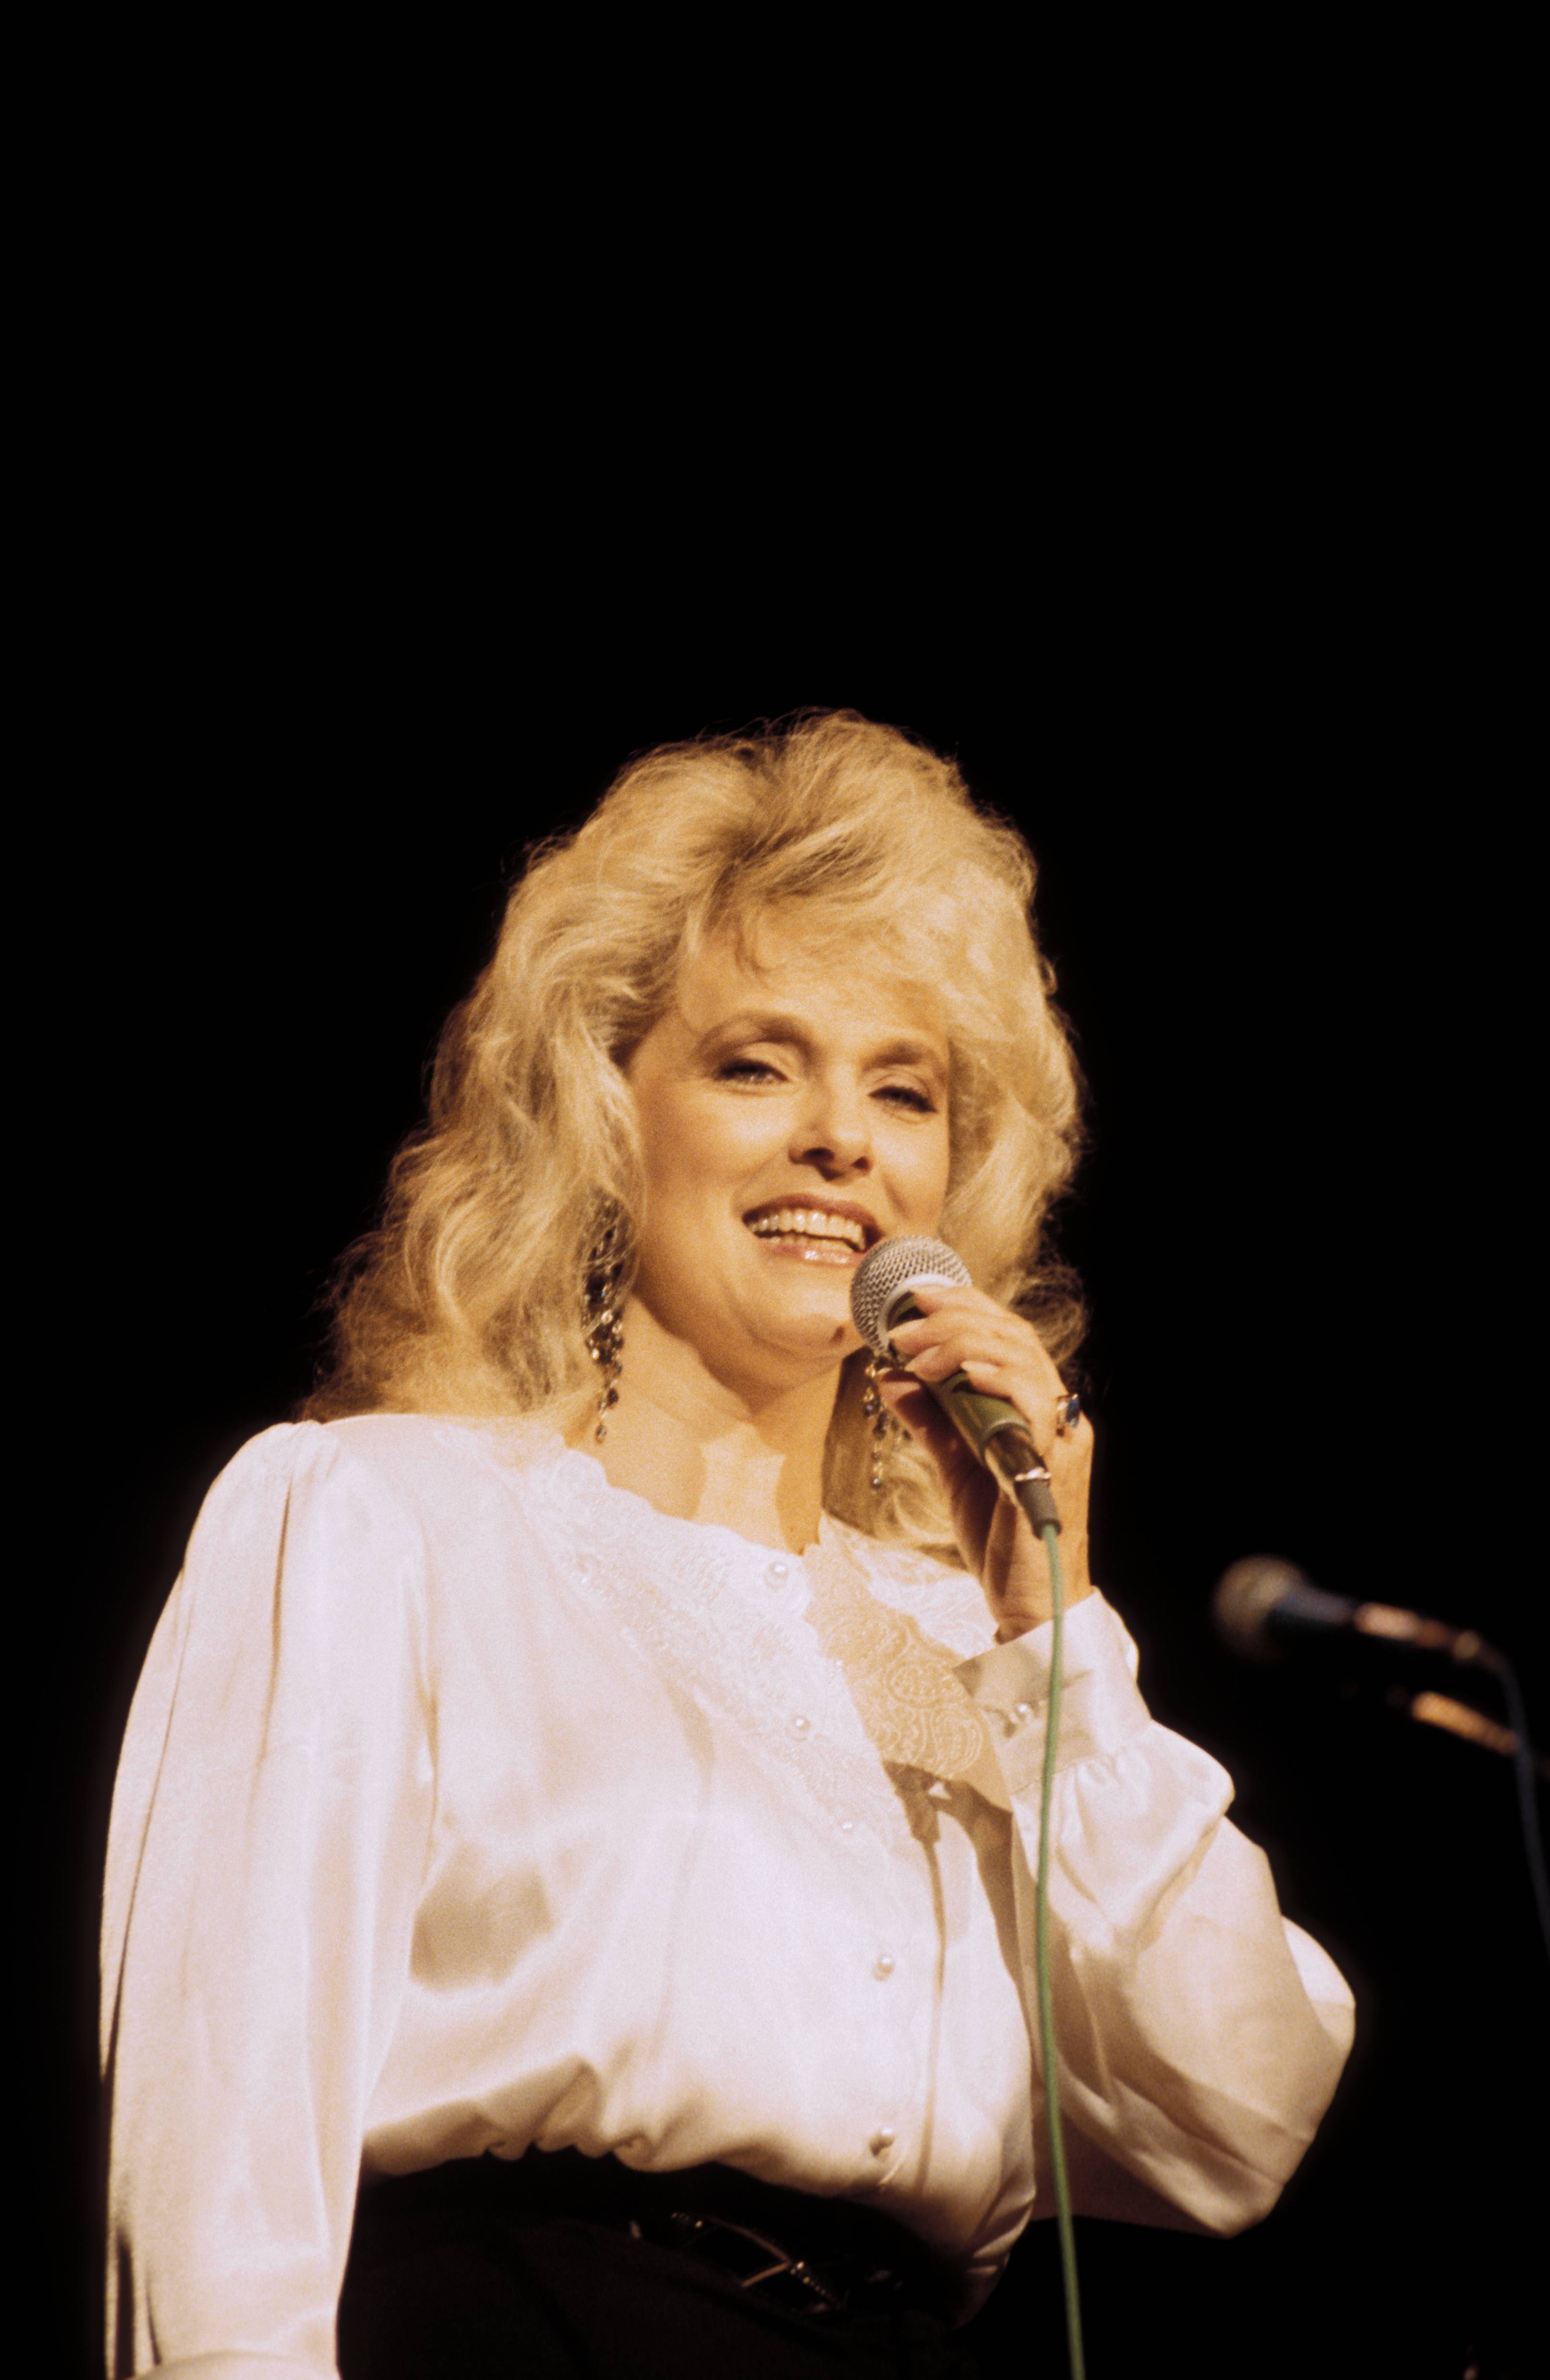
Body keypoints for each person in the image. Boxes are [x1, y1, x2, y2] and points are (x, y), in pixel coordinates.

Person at [100, 712, 1354, 2379]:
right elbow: (222, 2151)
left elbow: (1239, 2120)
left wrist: (1055, 1636)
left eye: (903, 1090)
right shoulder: (386, 1520)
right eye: (759, 1062)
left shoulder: (969, 1646)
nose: (842, 1137)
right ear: (605, 1117)